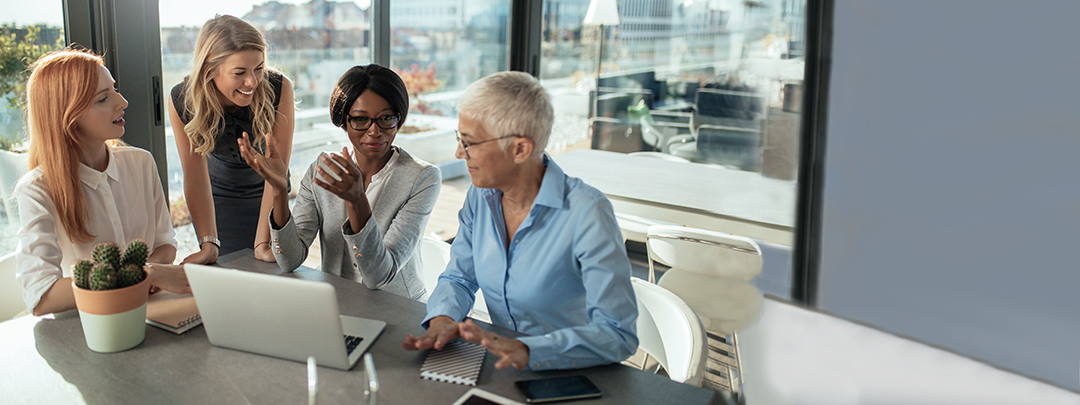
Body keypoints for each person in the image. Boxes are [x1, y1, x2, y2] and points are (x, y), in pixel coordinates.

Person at [402, 72, 638, 370]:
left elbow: (618, 334)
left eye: (470, 142)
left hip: (576, 375)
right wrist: (443, 319)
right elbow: (460, 277)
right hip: (504, 368)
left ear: (520, 149)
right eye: (459, 139)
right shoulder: (481, 196)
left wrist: (529, 350)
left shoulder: (587, 213)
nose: (459, 153)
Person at [238, 64, 440, 300]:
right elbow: (290, 260)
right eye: (361, 119)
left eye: (386, 118)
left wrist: (357, 201)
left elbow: (380, 275)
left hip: (399, 308)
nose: (374, 131)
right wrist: (280, 189)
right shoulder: (321, 170)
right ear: (343, 121)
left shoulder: (422, 178)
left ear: (399, 119)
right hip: (337, 303)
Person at [15, 48, 190, 316]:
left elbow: (165, 245)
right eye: (103, 98)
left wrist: (145, 277)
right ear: (69, 116)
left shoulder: (141, 163)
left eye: (115, 90)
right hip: (83, 328)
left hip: (149, 313)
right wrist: (146, 274)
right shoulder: (36, 190)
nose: (123, 102)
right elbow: (42, 297)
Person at [168, 14, 295, 263]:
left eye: (259, 68)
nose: (252, 81)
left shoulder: (280, 88)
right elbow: (194, 179)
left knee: (273, 271)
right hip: (219, 198)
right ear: (209, 70)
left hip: (272, 194)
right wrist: (208, 244)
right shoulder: (182, 101)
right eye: (239, 72)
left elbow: (278, 171)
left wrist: (264, 241)